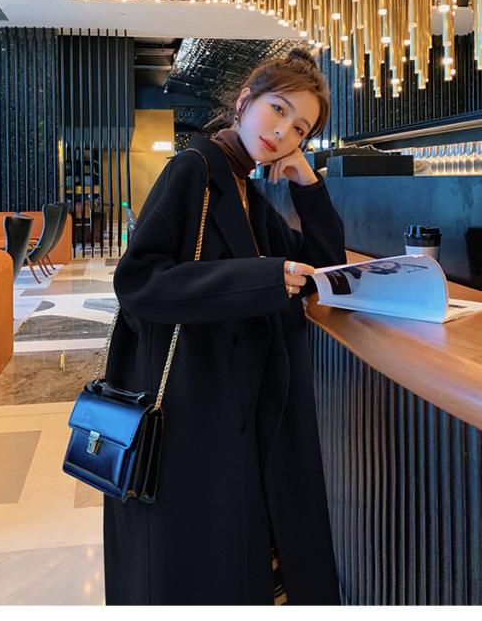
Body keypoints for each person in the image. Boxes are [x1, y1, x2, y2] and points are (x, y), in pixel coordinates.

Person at [103, 47, 346, 605]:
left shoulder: (246, 190)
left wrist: (307, 183)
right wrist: (261, 278)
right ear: (244, 100)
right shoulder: (195, 169)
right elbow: (137, 281)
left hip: (229, 403)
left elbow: (322, 266)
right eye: (278, 108)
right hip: (190, 405)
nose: (282, 131)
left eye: (300, 128)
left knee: (230, 558)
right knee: (193, 564)